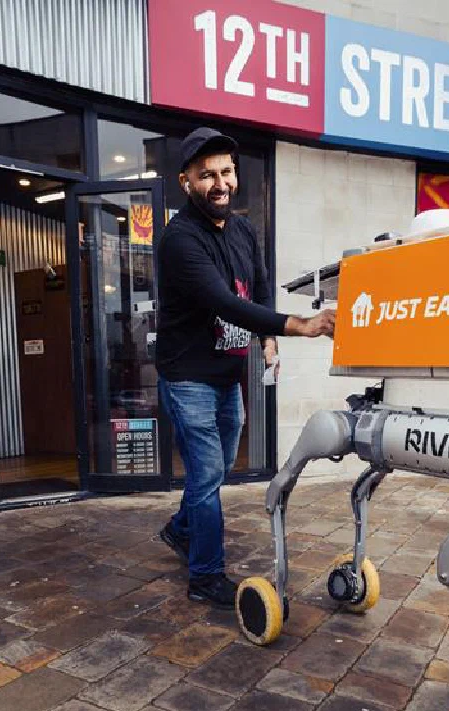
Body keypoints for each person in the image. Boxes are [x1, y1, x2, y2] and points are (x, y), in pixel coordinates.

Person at [155, 127, 335, 609]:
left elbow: (256, 289)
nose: (220, 183)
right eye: (207, 175)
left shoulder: (242, 229)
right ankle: (206, 577)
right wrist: (302, 325)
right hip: (186, 376)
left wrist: (269, 337)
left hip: (226, 375)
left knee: (214, 469)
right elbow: (221, 301)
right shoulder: (179, 239)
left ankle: (179, 530)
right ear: (186, 181)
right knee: (209, 473)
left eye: (226, 172)